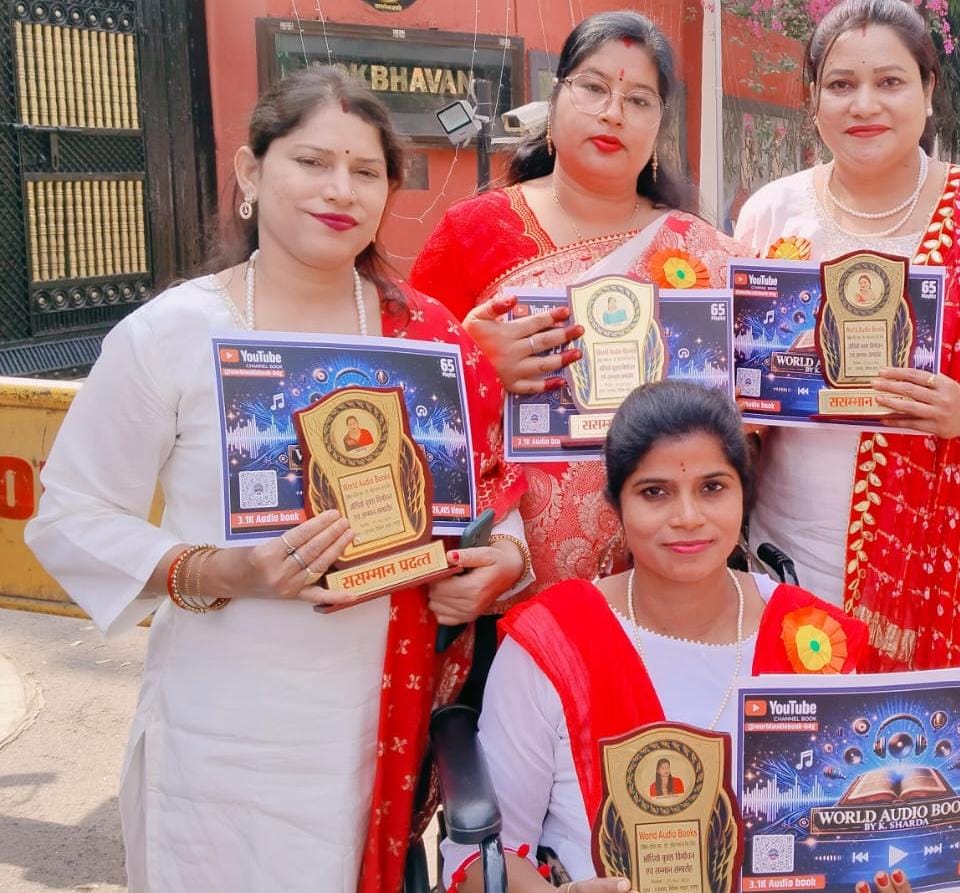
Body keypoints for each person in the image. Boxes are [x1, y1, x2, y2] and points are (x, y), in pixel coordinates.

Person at [25, 66, 527, 893]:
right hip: (220, 734)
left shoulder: (426, 336)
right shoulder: (174, 333)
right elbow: (72, 514)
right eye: (312, 162)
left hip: (374, 726)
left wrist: (500, 560)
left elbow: (492, 486)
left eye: (366, 171)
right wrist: (220, 570)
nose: (341, 190)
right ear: (251, 172)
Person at [734, 0, 960, 753]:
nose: (864, 105)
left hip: (949, 564)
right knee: (803, 774)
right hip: (783, 550)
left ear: (928, 91)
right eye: (841, 84)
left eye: (889, 82)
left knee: (925, 777)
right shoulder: (773, 213)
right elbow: (730, 371)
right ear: (813, 98)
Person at [440, 382, 870, 890]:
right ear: (616, 505)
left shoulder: (814, 638)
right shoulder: (554, 641)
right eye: (654, 492)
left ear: (744, 493)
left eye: (713, 487)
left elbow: (852, 842)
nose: (688, 518)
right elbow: (481, 863)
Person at [410, 11, 745, 598]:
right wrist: (475, 364)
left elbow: (753, 426)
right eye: (593, 87)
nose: (613, 113)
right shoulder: (476, 231)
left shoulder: (707, 254)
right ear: (555, 98)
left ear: (659, 123)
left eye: (638, 100)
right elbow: (405, 396)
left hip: (674, 572)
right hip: (507, 576)